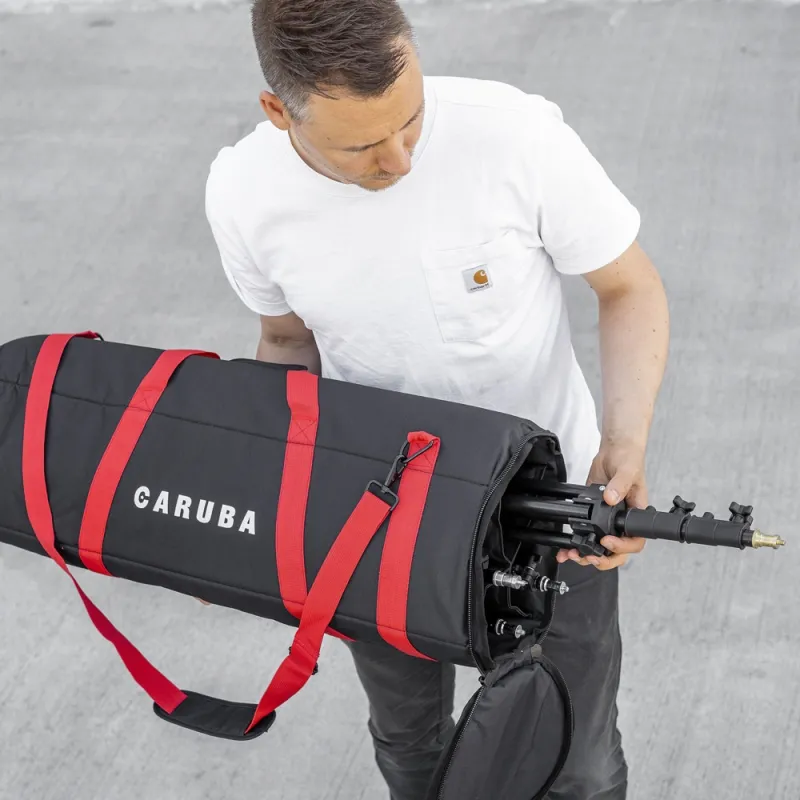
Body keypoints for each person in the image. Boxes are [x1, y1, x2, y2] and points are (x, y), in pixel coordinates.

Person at [204, 1, 670, 797]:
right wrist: (269, 495)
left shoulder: (514, 136)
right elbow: (285, 341)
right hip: (377, 518)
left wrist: (623, 444)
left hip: (547, 513)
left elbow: (628, 286)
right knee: (414, 748)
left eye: (412, 120)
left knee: (580, 761)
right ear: (280, 113)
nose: (401, 159)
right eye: (362, 146)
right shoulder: (244, 191)